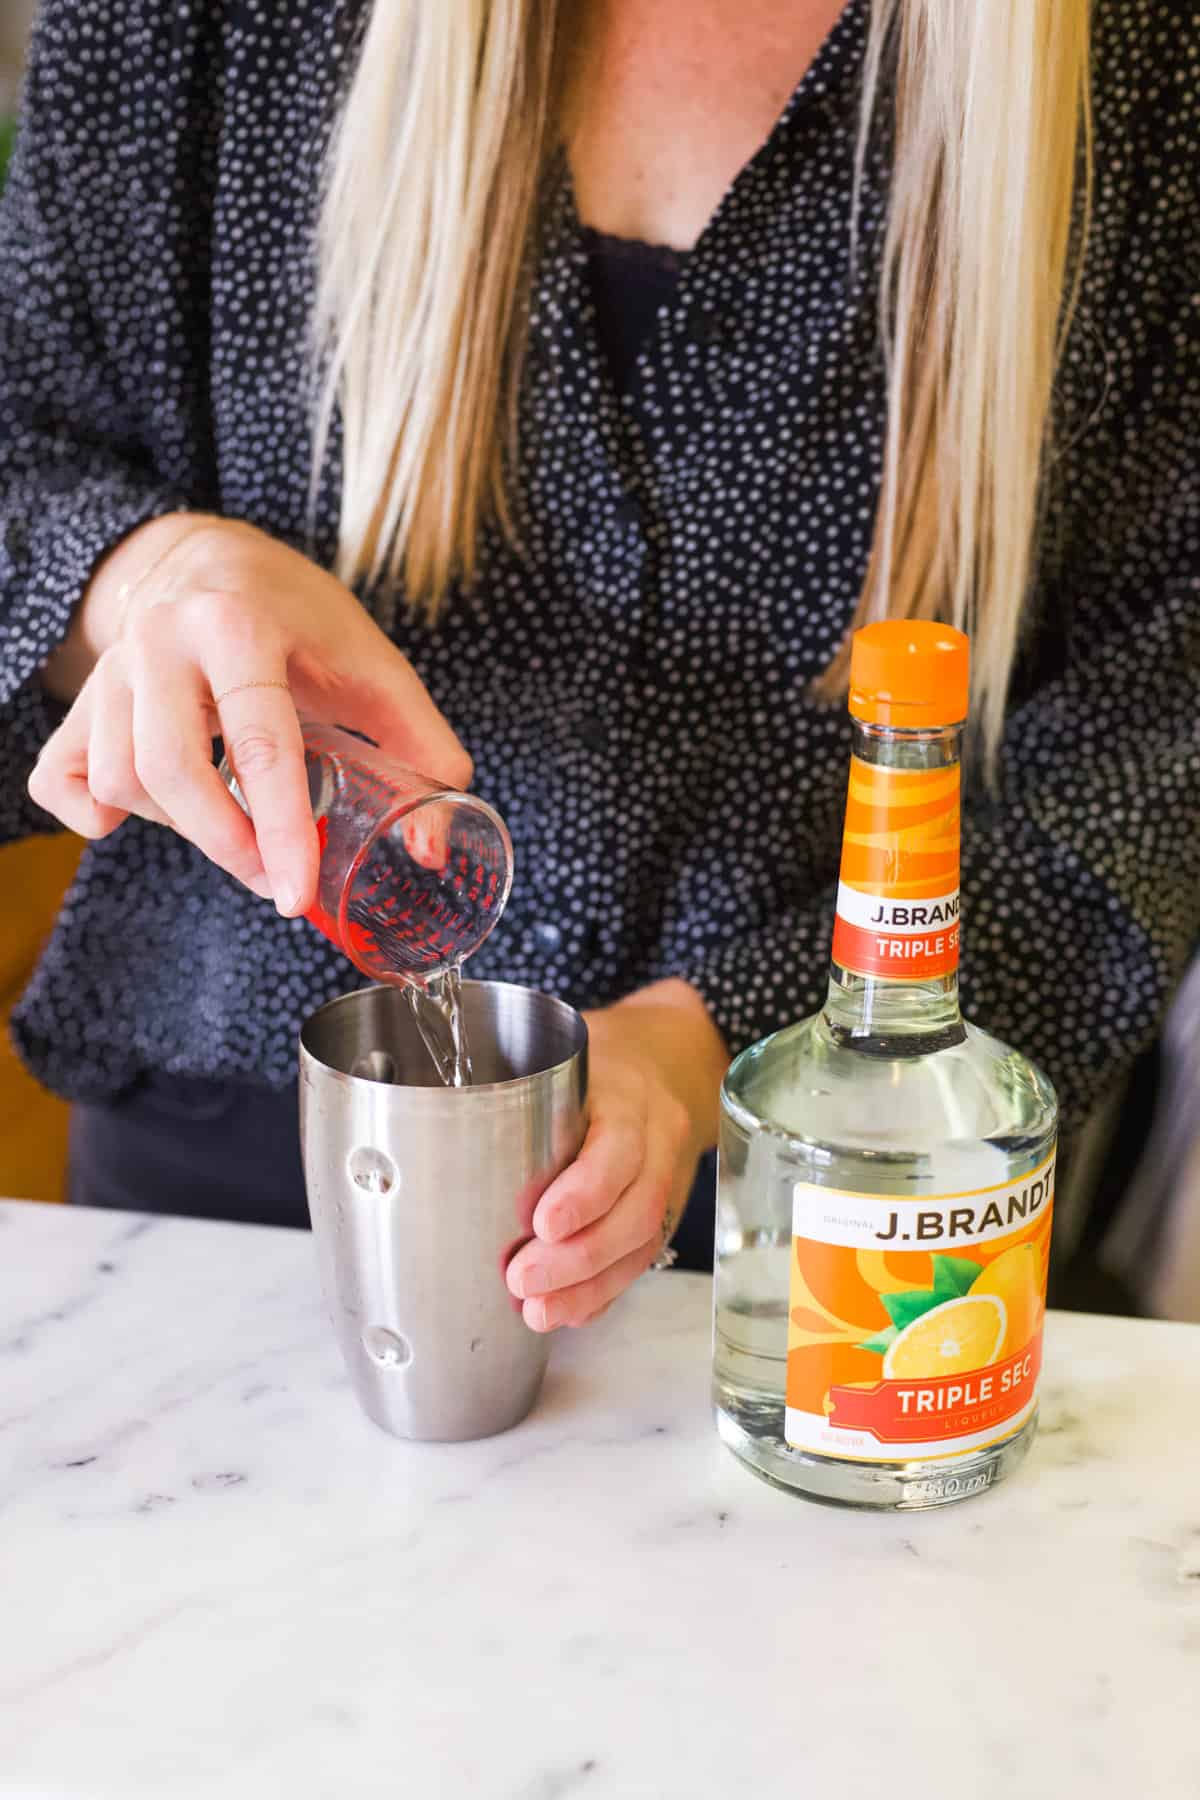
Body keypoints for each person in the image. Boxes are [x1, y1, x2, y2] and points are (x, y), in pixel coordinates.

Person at [1, 0, 1196, 1331]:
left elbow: (1151, 760)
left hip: (834, 1227)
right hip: (224, 1187)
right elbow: (24, 437)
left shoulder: (1145, 75)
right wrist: (140, 579)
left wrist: (710, 1042)